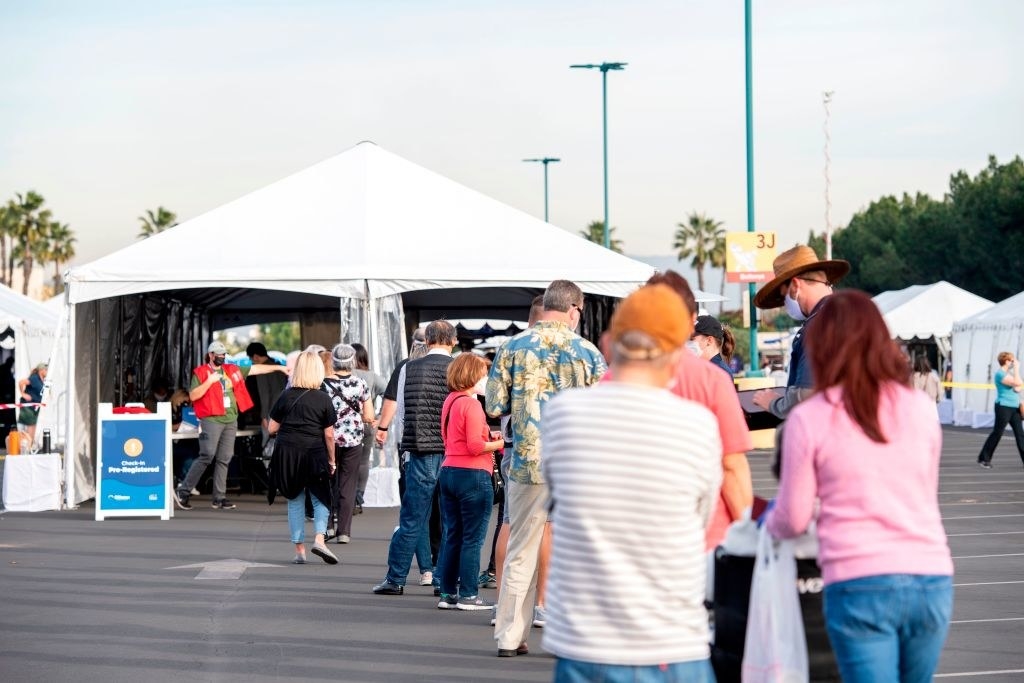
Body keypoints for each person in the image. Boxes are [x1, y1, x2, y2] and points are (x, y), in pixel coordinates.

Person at [765, 290, 953, 682]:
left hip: (858, 580)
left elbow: (794, 518)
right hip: (930, 577)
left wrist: (767, 525)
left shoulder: (811, 417)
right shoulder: (919, 408)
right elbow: (923, 491)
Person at [541, 284, 722, 678]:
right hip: (673, 642)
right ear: (678, 353)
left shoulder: (563, 415)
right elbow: (701, 518)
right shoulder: (699, 426)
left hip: (584, 643)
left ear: (607, 343)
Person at [486, 280, 607, 657]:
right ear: (574, 309)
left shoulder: (512, 347)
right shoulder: (587, 352)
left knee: (522, 550)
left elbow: (493, 404)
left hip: (526, 463)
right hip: (576, 465)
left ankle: (510, 635)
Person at [645, 270, 752, 550]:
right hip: (701, 527)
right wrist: (749, 529)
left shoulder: (614, 378)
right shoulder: (711, 378)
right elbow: (731, 464)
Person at [372, 320, 458, 596]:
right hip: (453, 452)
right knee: (450, 521)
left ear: (428, 340)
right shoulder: (459, 368)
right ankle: (444, 581)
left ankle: (395, 579)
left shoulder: (408, 368)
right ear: (453, 341)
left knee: (412, 518)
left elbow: (401, 411)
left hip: (418, 450)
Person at [174, 341, 287, 511]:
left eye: (223, 354)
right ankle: (183, 491)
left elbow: (255, 368)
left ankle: (219, 497)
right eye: (218, 354)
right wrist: (209, 381)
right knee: (207, 455)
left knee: (225, 457)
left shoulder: (231, 369)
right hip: (211, 419)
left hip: (230, 419)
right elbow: (193, 395)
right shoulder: (201, 373)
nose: (221, 357)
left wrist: (279, 368)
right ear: (211, 355)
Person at [435, 353, 504, 611]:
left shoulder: (451, 401)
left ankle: (448, 592)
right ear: (473, 375)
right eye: (483, 373)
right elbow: (476, 447)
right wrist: (503, 443)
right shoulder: (473, 405)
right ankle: (469, 594)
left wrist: (488, 435)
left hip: (449, 470)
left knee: (453, 535)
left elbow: (457, 437)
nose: (485, 377)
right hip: (473, 474)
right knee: (473, 538)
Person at [752, 245, 850, 419]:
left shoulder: (818, 325)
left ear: (795, 285)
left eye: (784, 296)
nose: (784, 303)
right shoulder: (853, 314)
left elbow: (805, 396)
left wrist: (773, 403)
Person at [266, 350, 339, 565]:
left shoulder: (285, 396)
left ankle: (300, 550)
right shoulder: (324, 399)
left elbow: (271, 428)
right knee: (321, 497)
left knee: (294, 500)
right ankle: (319, 539)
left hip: (288, 454)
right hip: (314, 453)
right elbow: (329, 434)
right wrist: (332, 460)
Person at [322, 343, 375, 544]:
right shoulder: (360, 383)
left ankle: (327, 527)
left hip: (328, 439)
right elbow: (369, 415)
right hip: (353, 440)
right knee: (348, 484)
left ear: (334, 361)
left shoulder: (323, 384)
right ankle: (344, 532)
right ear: (352, 361)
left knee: (328, 482)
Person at [352, 342, 386, 515]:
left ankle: (347, 497)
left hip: (347, 426)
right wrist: (379, 417)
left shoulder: (344, 374)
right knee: (363, 462)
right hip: (367, 423)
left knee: (346, 462)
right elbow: (389, 392)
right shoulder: (371, 376)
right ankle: (359, 496)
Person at [976, 351, 1024, 469]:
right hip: (1003, 407)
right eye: (1012, 360)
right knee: (998, 433)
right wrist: (1017, 369)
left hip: (1015, 407)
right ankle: (984, 458)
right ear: (1007, 361)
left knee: (1020, 435)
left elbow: (1019, 386)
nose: (1014, 363)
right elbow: (1017, 383)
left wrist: (1015, 376)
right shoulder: (1000, 374)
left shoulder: (1009, 374)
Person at [245, 341, 288, 443]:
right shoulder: (278, 366)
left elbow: (264, 394)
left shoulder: (262, 370)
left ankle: (268, 460)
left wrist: (264, 416)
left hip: (271, 412)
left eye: (251, 359)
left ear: (255, 356)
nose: (252, 362)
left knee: (268, 445)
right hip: (285, 410)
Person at [18, 363, 47, 442]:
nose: (47, 372)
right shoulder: (34, 378)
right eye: (46, 370)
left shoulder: (42, 380)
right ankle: (27, 447)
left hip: (34, 408)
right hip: (28, 407)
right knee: (30, 428)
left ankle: (29, 446)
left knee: (33, 428)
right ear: (41, 370)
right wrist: (23, 394)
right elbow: (21, 382)